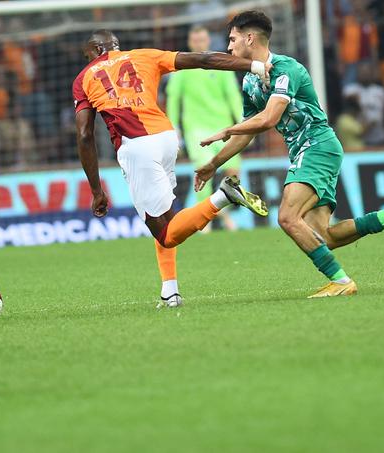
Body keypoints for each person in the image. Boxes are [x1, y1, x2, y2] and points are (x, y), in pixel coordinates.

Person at [196, 11, 384, 298]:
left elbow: (269, 119)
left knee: (287, 217)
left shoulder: (286, 69)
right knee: (324, 237)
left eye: (232, 40)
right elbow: (249, 131)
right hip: (308, 152)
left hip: (317, 146)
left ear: (249, 38)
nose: (229, 48)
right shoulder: (249, 81)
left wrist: (226, 130)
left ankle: (341, 281)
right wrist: (214, 163)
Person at [72, 30, 271, 307]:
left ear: (93, 50)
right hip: (166, 139)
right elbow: (203, 59)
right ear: (117, 46)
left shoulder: (85, 77)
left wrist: (96, 189)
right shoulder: (146, 55)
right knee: (167, 218)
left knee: (165, 232)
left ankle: (223, 196)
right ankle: (170, 291)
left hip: (137, 146)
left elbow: (84, 135)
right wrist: (255, 65)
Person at [166, 25, 243, 231]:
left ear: (208, 41)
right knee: (203, 172)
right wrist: (174, 128)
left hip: (225, 128)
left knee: (233, 173)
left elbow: (233, 96)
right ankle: (207, 221)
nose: (199, 44)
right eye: (195, 41)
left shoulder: (220, 64)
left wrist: (242, 121)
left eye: (202, 40)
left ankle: (220, 213)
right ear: (190, 43)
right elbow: (174, 100)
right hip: (196, 130)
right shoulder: (182, 69)